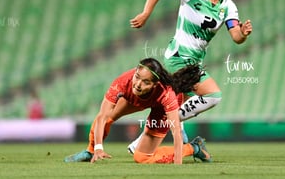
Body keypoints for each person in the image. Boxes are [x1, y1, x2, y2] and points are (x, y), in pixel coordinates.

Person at [128, 0, 252, 151]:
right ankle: (166, 124)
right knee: (213, 95)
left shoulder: (228, 7)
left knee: (174, 107)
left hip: (194, 62)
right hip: (178, 58)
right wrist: (145, 13)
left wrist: (243, 34)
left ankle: (140, 144)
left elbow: (236, 37)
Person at [63, 58, 211, 164]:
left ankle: (194, 147)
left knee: (142, 158)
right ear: (135, 72)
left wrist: (177, 165)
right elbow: (102, 116)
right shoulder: (122, 83)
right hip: (134, 99)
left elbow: (176, 132)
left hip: (160, 108)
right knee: (106, 118)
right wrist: (98, 148)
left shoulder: (167, 93)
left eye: (146, 82)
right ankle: (90, 152)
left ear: (155, 85)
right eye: (137, 77)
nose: (138, 84)